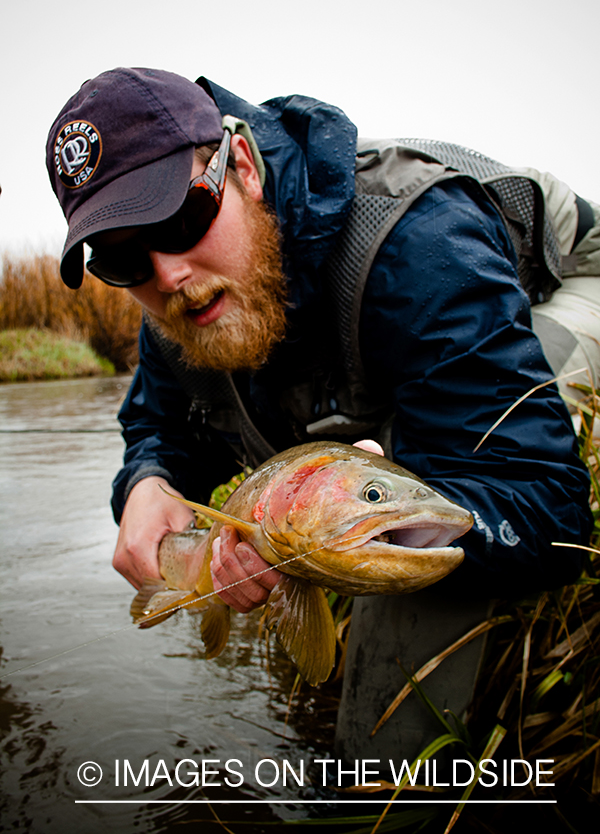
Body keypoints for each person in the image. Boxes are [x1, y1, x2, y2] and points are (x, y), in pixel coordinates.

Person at [46, 66, 594, 662]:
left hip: (569, 269)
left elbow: (552, 512)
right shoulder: (176, 300)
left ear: (244, 169)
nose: (168, 275)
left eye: (182, 221)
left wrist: (356, 533)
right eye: (124, 262)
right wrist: (146, 483)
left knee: (408, 558)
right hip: (402, 317)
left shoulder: (420, 247)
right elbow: (158, 427)